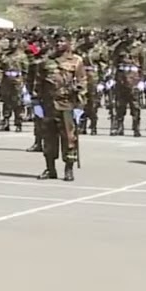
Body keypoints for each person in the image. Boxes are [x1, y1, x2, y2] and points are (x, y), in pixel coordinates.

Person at [32, 33, 87, 182]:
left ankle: (68, 169)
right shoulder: (46, 61)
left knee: (69, 138)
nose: (58, 44)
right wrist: (36, 103)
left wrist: (80, 106)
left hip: (67, 104)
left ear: (68, 43)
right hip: (49, 105)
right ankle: (50, 169)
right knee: (48, 138)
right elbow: (38, 83)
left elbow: (82, 83)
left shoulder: (76, 61)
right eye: (56, 41)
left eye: (62, 41)